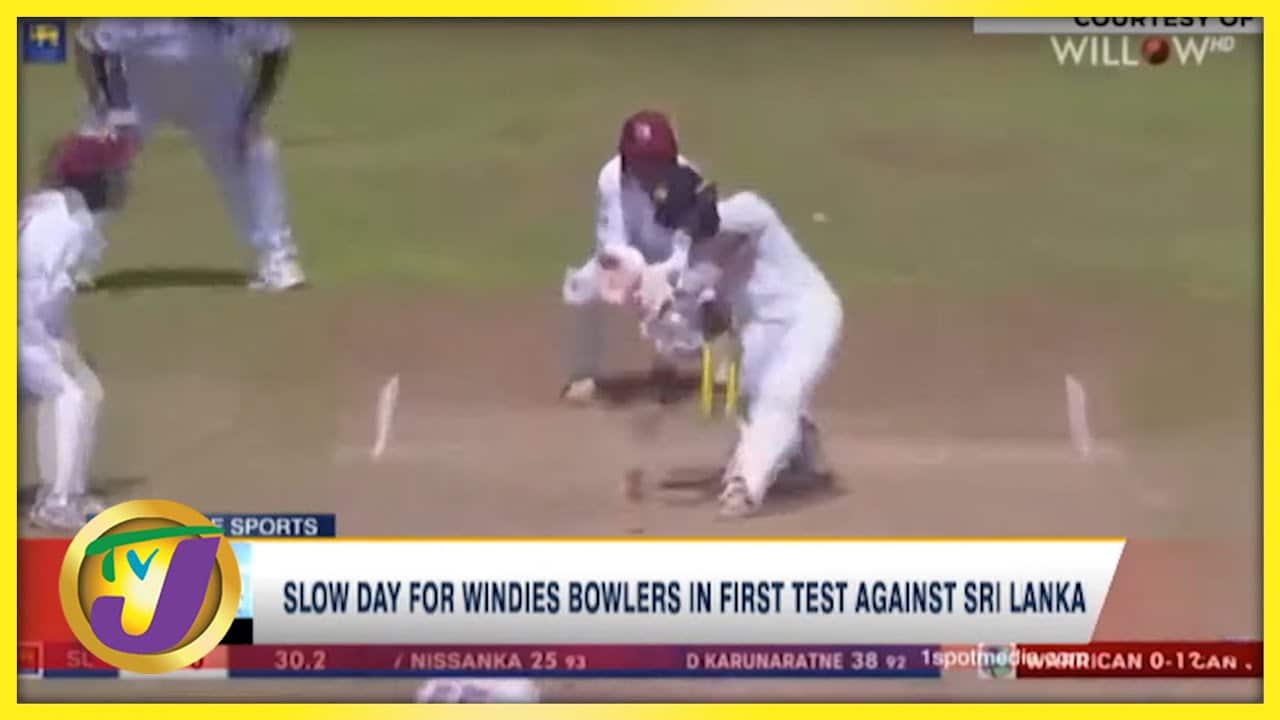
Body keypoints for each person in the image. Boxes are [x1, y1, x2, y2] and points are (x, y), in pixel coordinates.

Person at [645, 165, 842, 518]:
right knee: (746, 391)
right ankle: (799, 455)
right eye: (681, 223)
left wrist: (682, 283)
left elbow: (729, 231)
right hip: (764, 329)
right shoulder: (695, 266)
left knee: (781, 389)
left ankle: (745, 485)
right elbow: (690, 340)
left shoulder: (749, 210)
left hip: (809, 313)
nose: (689, 228)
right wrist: (662, 316)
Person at [72, 19, 304, 291]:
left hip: (214, 90)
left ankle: (278, 260)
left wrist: (252, 115)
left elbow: (276, 46)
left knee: (255, 154)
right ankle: (69, 262)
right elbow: (88, 44)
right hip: (140, 88)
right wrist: (110, 106)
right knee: (97, 151)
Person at [561, 110, 721, 403]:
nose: (649, 169)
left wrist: (665, 280)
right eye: (642, 161)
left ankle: (689, 351)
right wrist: (639, 277)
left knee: (685, 324)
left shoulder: (687, 180)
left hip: (677, 263)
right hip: (630, 261)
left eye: (656, 160)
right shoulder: (611, 178)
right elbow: (611, 245)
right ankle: (584, 374)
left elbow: (691, 248)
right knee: (583, 286)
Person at [19, 133, 134, 530]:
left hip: (27, 324)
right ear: (92, 181)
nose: (122, 178)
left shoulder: (48, 207)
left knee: (78, 386)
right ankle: (57, 503)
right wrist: (53, 348)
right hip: (24, 325)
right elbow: (35, 297)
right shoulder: (69, 225)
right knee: (72, 392)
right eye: (113, 172)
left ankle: (67, 492)